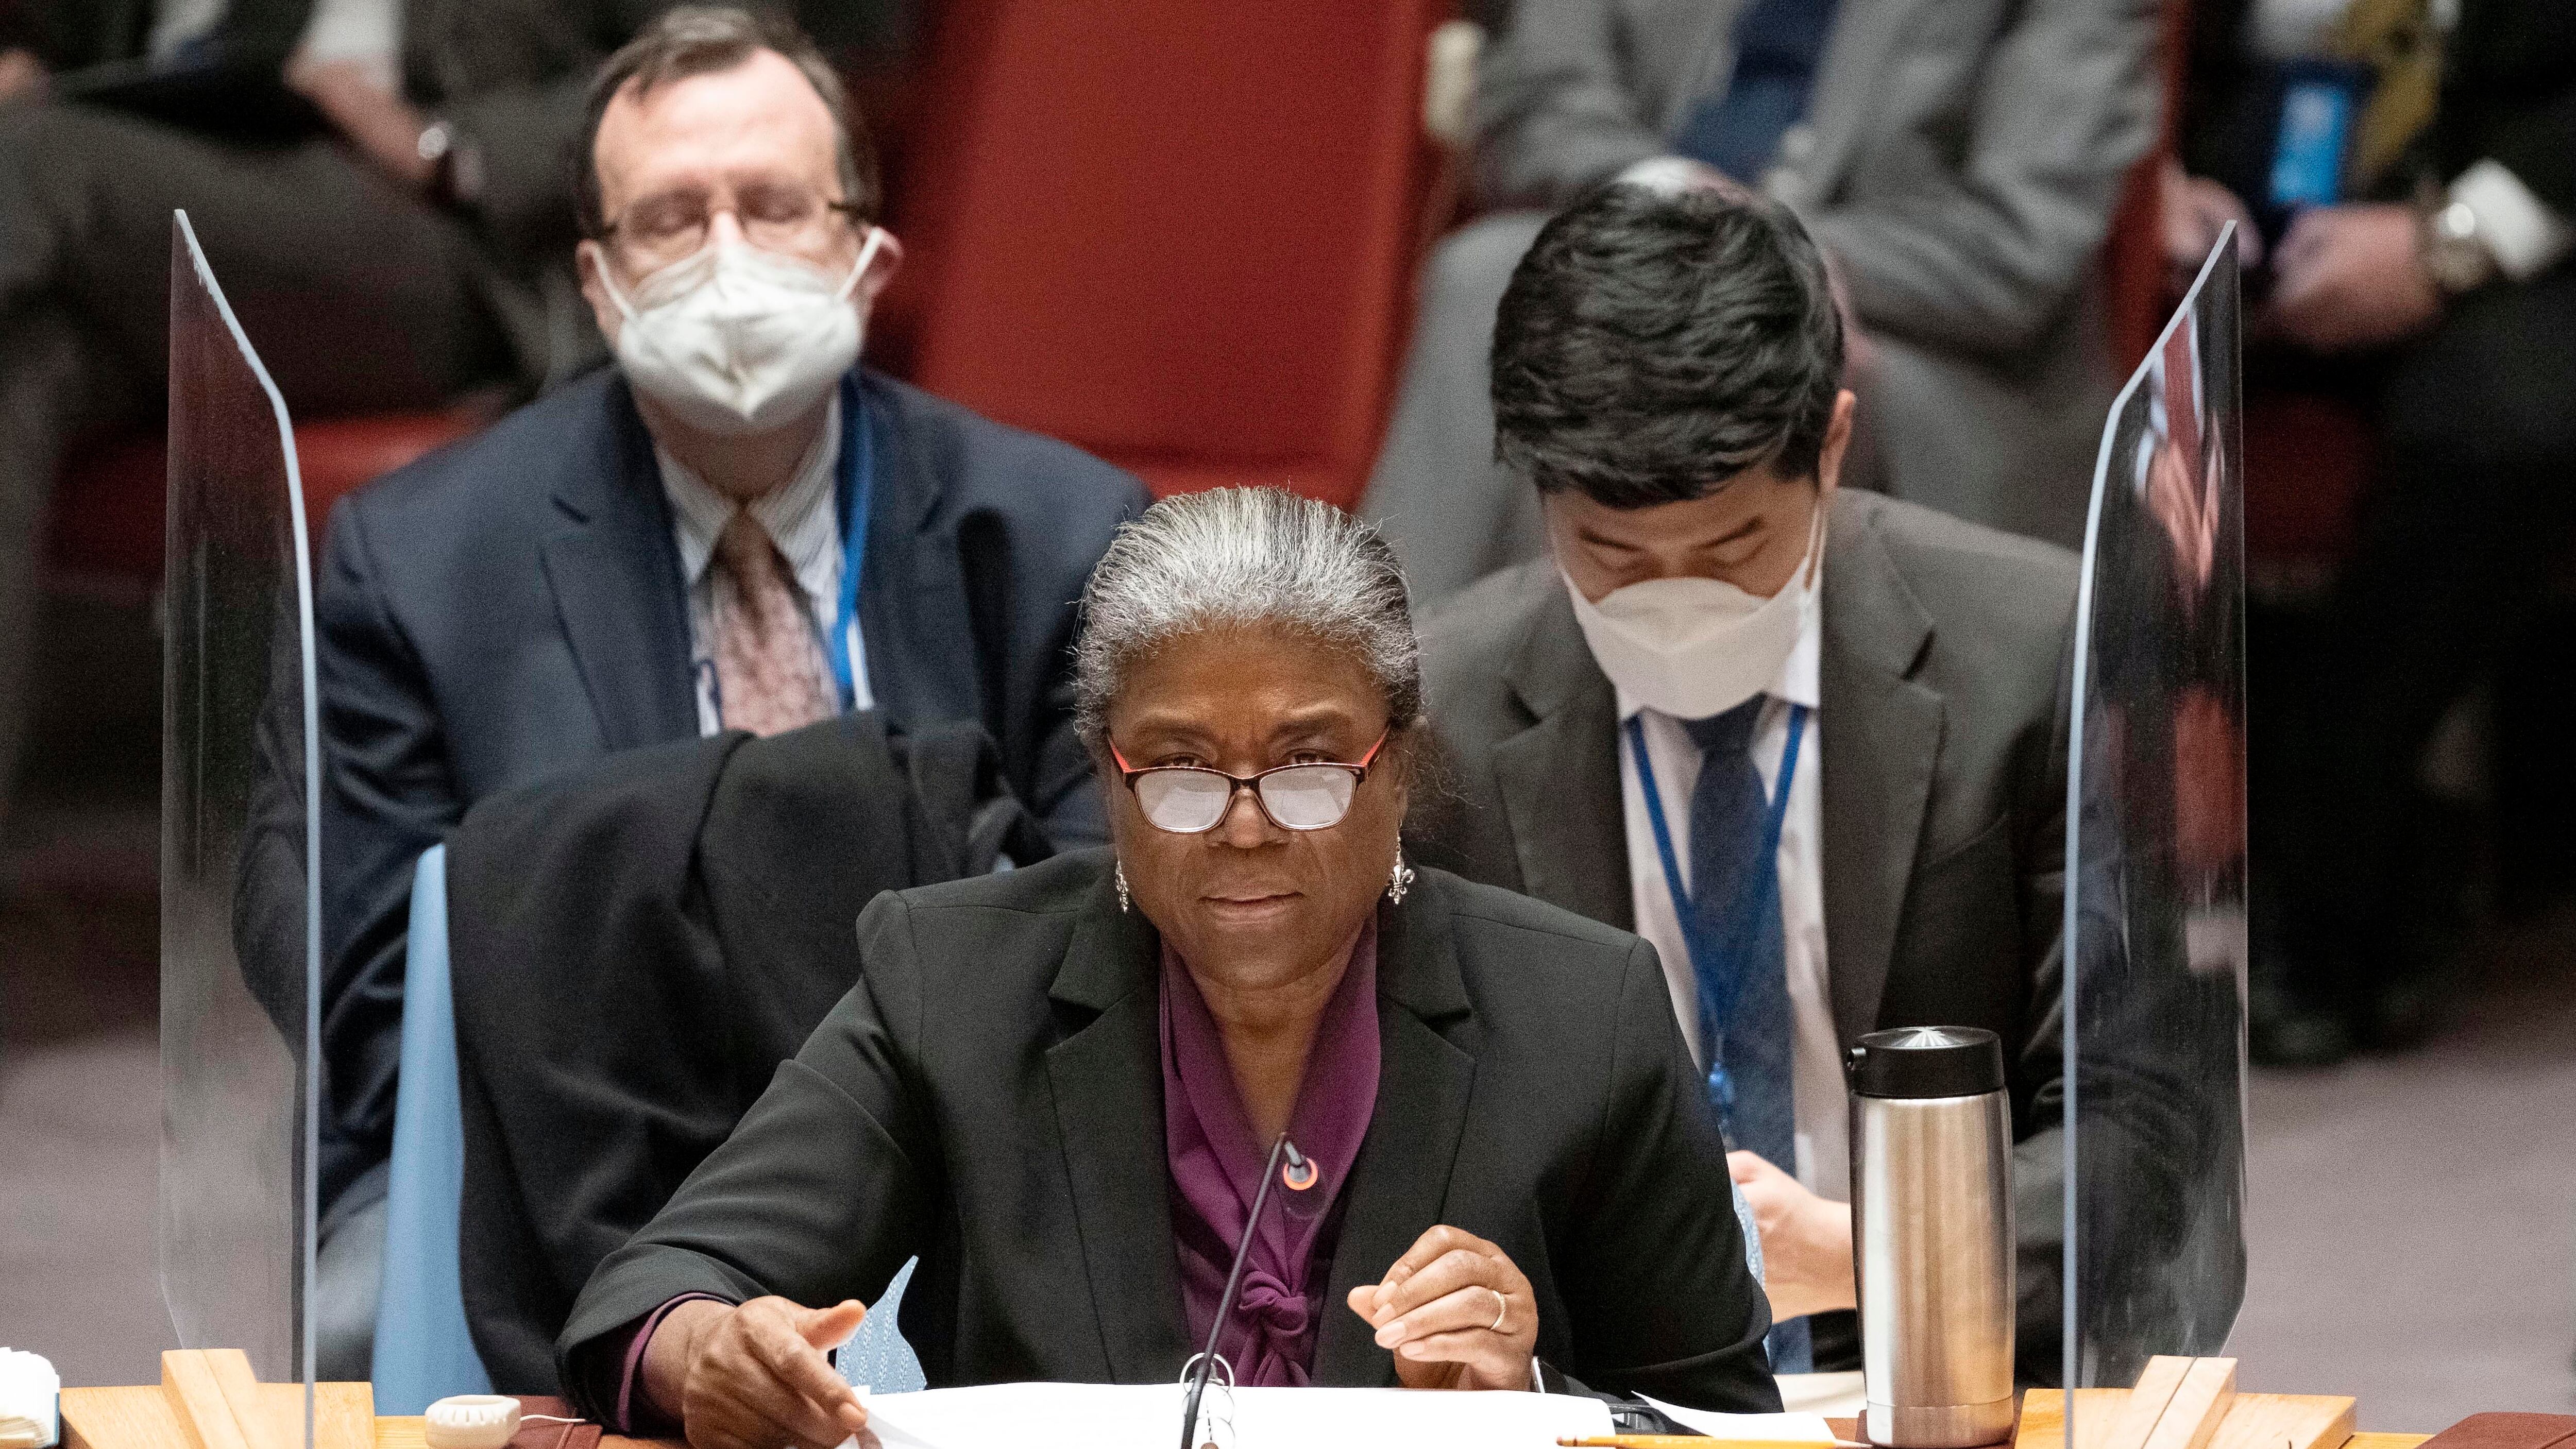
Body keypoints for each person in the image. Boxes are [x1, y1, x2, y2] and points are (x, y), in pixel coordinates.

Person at [556, 487, 1781, 1438]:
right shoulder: (951, 982)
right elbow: (658, 1287)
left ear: (1398, 768)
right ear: (1109, 776)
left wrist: (1530, 1399)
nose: (1245, 828)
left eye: (1306, 766)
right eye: (1184, 772)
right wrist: (711, 1354)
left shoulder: (1585, 1013)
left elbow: (1727, 1424)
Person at [305, 5, 1145, 1375]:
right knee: (354, 1326)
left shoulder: (1059, 537)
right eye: (671, 219)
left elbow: (1106, 927)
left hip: (964, 1152)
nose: (728, 257)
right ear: (597, 281)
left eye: (772, 205)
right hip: (563, 1161)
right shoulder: (421, 563)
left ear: (867, 255)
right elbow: (369, 981)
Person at [1411, 183, 2072, 1380]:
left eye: (1734, 551)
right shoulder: (1438, 716)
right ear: (1536, 493)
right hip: (1601, 1386)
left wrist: (1877, 1251)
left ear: (1832, 447)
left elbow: (2141, 1135)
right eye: (1611, 556)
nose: (1678, 602)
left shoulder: (2038, 656)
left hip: (1951, 1370)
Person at [1363, 0, 2159, 608]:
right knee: (1489, 278)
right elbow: (1537, 96)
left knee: (1751, 345)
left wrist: (1775, 255)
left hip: (1920, 345)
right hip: (1641, 229)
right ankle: (1377, 693)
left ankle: (1563, 733)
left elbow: (2018, 242)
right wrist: (1672, 200)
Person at [2164, 0, 2575, 1063]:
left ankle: (2328, 847)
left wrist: (2453, 243)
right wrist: (2155, 177)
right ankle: (2368, 860)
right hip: (2235, 202)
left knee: (2510, 430)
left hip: (2506, 208)